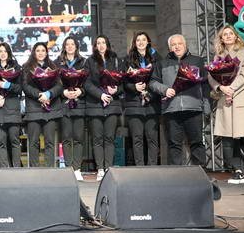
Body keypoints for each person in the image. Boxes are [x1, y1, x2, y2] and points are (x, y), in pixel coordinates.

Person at [207, 25, 244, 184]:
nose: (228, 36)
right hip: (225, 101)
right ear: (221, 39)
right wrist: (220, 87)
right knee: (228, 139)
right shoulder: (219, 56)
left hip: (242, 98)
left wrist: (231, 88)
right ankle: (238, 171)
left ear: (236, 36)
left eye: (231, 33)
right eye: (225, 34)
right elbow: (211, 76)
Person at [150, 34, 208, 167]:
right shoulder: (162, 63)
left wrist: (206, 106)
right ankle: (176, 173)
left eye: (179, 43)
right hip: (171, 110)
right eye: (173, 45)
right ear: (169, 48)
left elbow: (205, 84)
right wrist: (165, 90)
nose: (177, 47)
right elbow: (152, 83)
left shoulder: (197, 61)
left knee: (197, 142)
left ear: (185, 45)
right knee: (173, 144)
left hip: (193, 109)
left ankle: (201, 172)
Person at [85, 35, 123, 180]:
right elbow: (87, 83)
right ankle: (100, 168)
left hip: (112, 105)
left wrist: (116, 90)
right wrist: (100, 95)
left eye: (103, 43)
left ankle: (108, 168)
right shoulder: (90, 61)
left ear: (107, 45)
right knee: (97, 138)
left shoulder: (116, 60)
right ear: (95, 46)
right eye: (98, 43)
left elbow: (123, 82)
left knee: (109, 138)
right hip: (95, 104)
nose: (101, 45)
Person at [123, 32, 161, 167]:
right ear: (134, 43)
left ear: (148, 42)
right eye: (138, 40)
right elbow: (123, 82)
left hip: (152, 104)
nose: (141, 42)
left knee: (152, 139)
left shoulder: (156, 58)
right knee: (137, 138)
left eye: (143, 39)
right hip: (134, 104)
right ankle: (139, 168)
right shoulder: (127, 59)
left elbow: (159, 79)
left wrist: (148, 91)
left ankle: (152, 167)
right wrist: (134, 87)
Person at [22, 42, 63, 167]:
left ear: (46, 52)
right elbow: (25, 86)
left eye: (43, 50)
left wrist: (49, 94)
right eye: (38, 50)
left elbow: (59, 86)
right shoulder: (26, 67)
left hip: (51, 110)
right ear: (34, 52)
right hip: (34, 109)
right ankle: (34, 170)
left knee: (50, 142)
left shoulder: (53, 66)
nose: (40, 53)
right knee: (33, 142)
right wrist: (40, 95)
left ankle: (49, 170)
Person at [55, 36, 87, 181]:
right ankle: (69, 169)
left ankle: (77, 168)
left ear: (76, 46)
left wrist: (81, 91)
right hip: (64, 105)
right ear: (64, 47)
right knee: (66, 138)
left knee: (79, 138)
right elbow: (55, 84)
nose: (69, 47)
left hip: (79, 104)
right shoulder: (57, 63)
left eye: (72, 44)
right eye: (67, 44)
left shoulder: (84, 62)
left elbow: (88, 83)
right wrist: (63, 93)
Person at [0, 42, 23, 168]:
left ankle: (16, 169)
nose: (3, 54)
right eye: (0, 51)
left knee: (15, 141)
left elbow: (20, 88)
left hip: (12, 109)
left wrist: (8, 86)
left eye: (5, 51)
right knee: (0, 142)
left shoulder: (17, 68)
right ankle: (4, 169)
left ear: (9, 53)